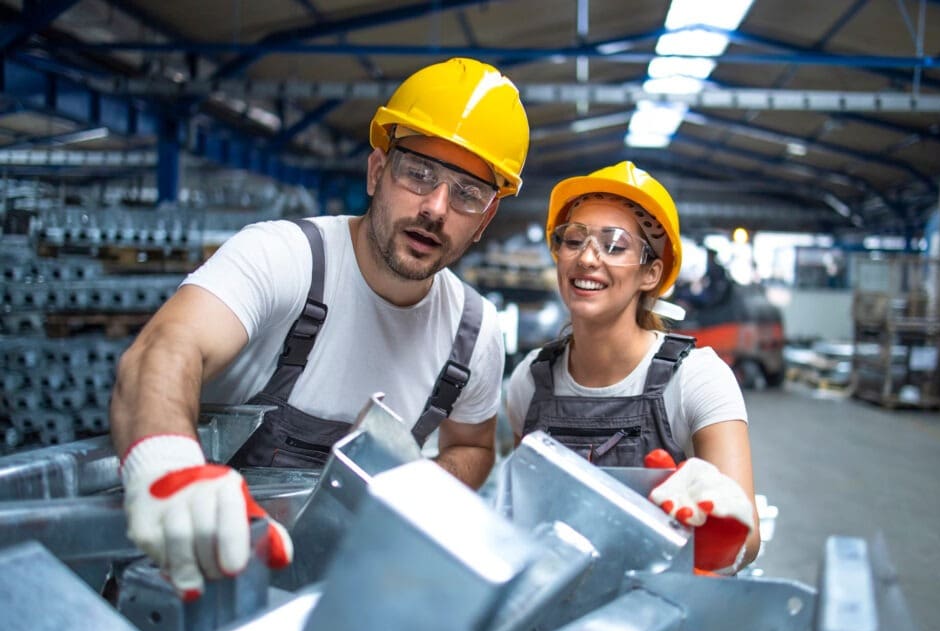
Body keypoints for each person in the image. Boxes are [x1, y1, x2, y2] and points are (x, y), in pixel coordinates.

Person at [110, 57, 530, 599]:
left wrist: (409, 492)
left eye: (468, 194)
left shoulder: (474, 332)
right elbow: (165, 349)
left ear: (486, 219)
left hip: (347, 601)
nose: (435, 208)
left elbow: (473, 446)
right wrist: (167, 466)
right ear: (377, 171)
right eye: (418, 173)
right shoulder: (285, 257)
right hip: (194, 587)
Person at [504, 162, 760, 573]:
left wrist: (715, 536)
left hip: (654, 620)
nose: (587, 258)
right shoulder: (529, 382)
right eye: (574, 240)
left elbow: (747, 538)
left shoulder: (696, 379)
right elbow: (520, 514)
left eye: (615, 245)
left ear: (651, 273)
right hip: (548, 621)